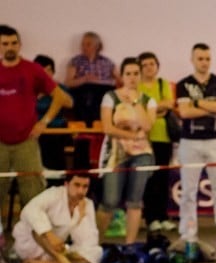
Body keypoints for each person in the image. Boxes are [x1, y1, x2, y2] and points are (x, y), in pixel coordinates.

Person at [0, 25, 71, 230]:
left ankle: (35, 243)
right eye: (5, 44)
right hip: (0, 143)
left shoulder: (32, 69)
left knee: (33, 194)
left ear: (20, 44)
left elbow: (60, 97)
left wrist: (44, 122)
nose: (10, 47)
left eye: (14, 43)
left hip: (26, 142)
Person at [176, 43, 216, 255]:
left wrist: (198, 103)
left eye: (207, 58)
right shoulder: (183, 84)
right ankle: (188, 234)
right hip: (190, 142)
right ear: (192, 59)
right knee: (188, 191)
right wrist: (210, 106)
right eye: (200, 58)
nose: (204, 62)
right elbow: (184, 113)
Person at [97, 57, 157, 245]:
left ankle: (129, 245)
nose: (132, 78)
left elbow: (147, 125)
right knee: (110, 200)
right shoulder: (110, 97)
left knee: (135, 200)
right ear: (122, 76)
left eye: (136, 74)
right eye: (128, 74)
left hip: (142, 154)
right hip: (115, 152)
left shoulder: (148, 101)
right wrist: (132, 136)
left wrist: (134, 103)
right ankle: (94, 243)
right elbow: (107, 128)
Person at [13, 172, 102, 263]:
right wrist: (49, 234)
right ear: (66, 184)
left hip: (55, 251)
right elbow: (30, 209)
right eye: (77, 185)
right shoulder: (54, 194)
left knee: (95, 253)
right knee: (37, 230)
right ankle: (62, 261)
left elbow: (88, 241)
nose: (81, 191)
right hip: (31, 245)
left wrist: (81, 219)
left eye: (85, 186)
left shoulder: (87, 204)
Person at [138, 51, 177, 232]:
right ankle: (150, 217)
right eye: (144, 65)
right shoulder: (137, 86)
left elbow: (169, 104)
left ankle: (163, 216)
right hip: (145, 138)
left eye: (151, 64)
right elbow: (138, 109)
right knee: (149, 179)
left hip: (164, 137)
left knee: (163, 178)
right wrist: (156, 109)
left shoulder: (163, 84)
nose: (148, 68)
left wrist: (151, 109)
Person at [32, 55, 72, 187]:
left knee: (50, 143)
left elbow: (70, 103)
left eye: (49, 69)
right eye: (42, 70)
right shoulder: (30, 88)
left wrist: (52, 90)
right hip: (33, 131)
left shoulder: (59, 88)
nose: (46, 73)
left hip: (56, 131)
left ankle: (55, 183)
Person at [64, 31, 118, 126]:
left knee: (104, 95)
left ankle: (98, 125)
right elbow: (68, 83)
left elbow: (117, 81)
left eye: (88, 44)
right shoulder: (75, 61)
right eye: (83, 44)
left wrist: (99, 81)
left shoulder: (107, 62)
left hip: (102, 91)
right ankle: (86, 127)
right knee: (85, 94)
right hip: (82, 92)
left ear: (97, 46)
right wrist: (85, 79)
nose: (84, 47)